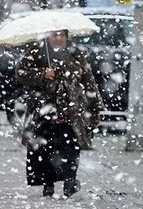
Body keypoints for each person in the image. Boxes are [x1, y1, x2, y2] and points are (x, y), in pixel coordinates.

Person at [15, 29, 102, 198]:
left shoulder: (75, 54)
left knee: (70, 148)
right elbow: (21, 73)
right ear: (48, 36)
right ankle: (48, 184)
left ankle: (70, 183)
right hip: (43, 112)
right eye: (55, 35)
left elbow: (88, 80)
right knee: (45, 149)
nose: (58, 38)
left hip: (70, 111)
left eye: (62, 35)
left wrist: (94, 105)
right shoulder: (37, 51)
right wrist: (42, 74)